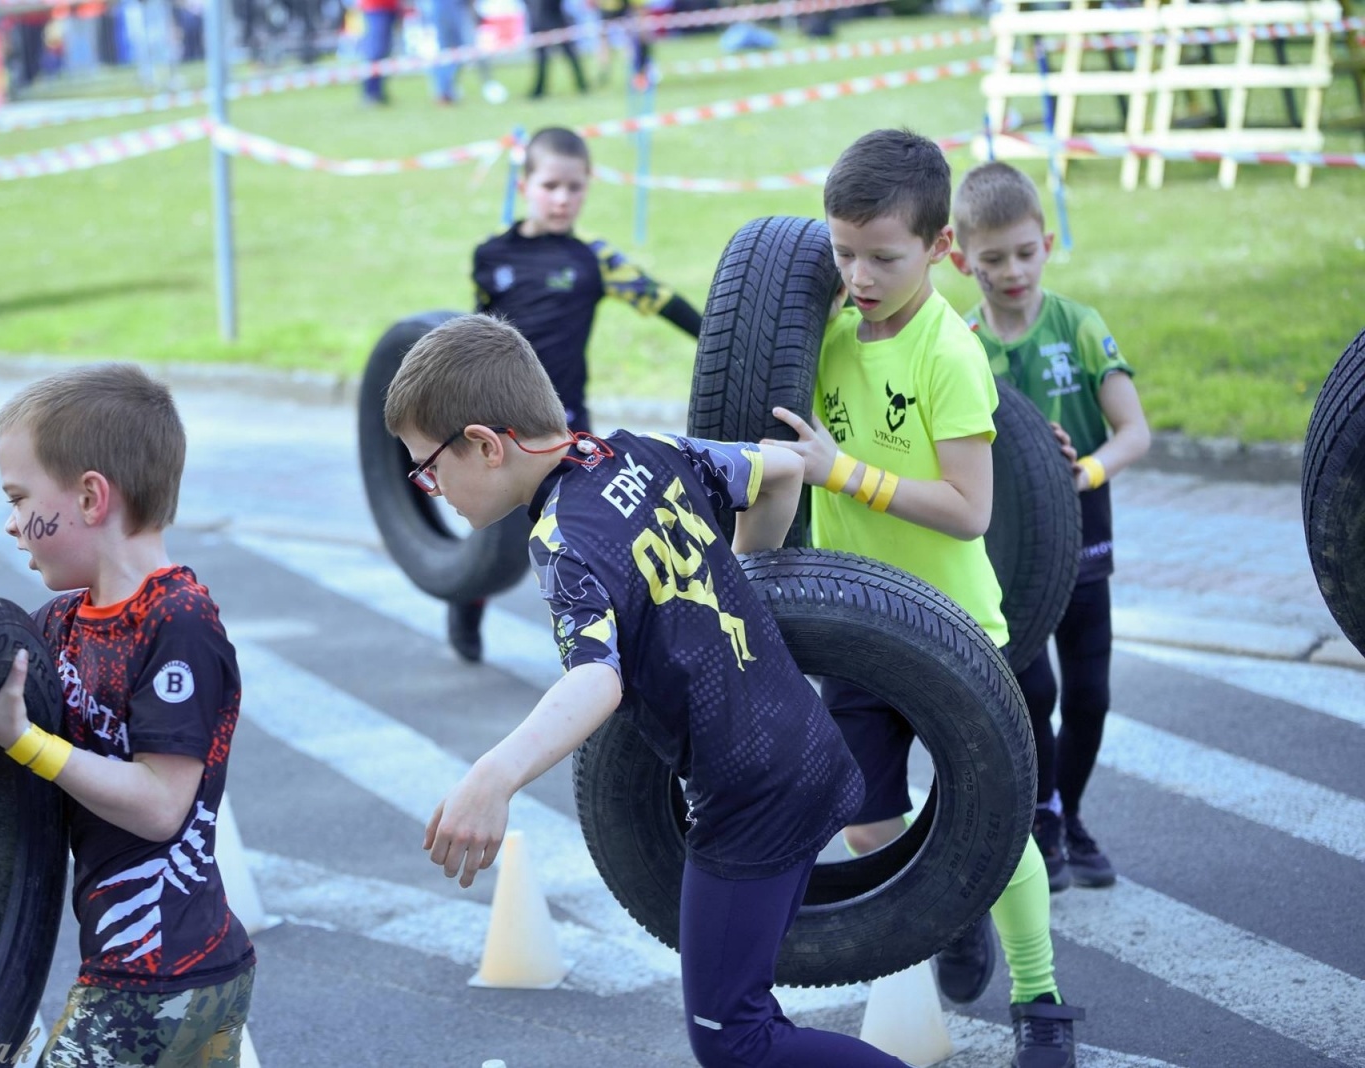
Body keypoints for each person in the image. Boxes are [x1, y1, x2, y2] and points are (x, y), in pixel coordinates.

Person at [383, 312, 907, 1068]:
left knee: (737, 1042)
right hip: (809, 746)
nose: (432, 489)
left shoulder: (561, 539)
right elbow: (781, 471)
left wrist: (493, 775)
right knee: (752, 1006)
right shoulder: (640, 449)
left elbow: (595, 679)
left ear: (485, 445)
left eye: (428, 468)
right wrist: (741, 589)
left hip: (750, 795)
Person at [771, 128, 1084, 1068]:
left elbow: (967, 509)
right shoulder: (824, 336)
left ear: (940, 250)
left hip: (955, 633)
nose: (857, 275)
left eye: (882, 257)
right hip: (856, 631)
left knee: (994, 828)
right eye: (842, 252)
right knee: (868, 817)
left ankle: (1041, 1001)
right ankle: (950, 914)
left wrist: (847, 473)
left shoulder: (950, 353)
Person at [0, 363, 256, 1067]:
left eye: (19, 497)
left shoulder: (178, 621)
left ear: (91, 497)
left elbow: (159, 806)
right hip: (132, 969)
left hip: (168, 972)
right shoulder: (60, 623)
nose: (10, 523)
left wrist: (23, 740)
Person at [951, 160, 1152, 892]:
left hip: (1083, 526)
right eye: (992, 258)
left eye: (1025, 253)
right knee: (1032, 691)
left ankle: (1070, 813)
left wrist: (1084, 472)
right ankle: (1040, 813)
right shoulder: (961, 342)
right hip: (1005, 546)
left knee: (1090, 693)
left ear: (1048, 241)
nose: (1012, 271)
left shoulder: (1079, 326)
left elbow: (1133, 432)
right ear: (958, 257)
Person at [448, 126, 704, 662]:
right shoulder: (490, 254)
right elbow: (476, 336)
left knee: (580, 535)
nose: (563, 198)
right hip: (495, 428)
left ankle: (599, 649)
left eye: (575, 187)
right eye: (550, 185)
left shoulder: (596, 259)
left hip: (565, 429)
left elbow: (661, 301)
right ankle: (466, 605)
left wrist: (721, 336)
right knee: (492, 534)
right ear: (525, 185)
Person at [525, 0, 588, 97]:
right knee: (542, 58)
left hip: (556, 19)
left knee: (570, 54)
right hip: (541, 22)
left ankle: (583, 84)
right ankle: (539, 89)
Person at [360, 0, 401, 105]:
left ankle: (378, 92)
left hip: (390, 7)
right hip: (376, 7)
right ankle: (371, 93)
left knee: (384, 52)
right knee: (376, 51)